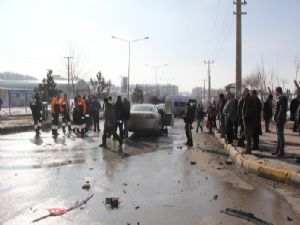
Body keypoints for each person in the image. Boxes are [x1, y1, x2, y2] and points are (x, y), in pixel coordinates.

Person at [273, 87, 288, 157]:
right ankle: (278, 150)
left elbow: (282, 110)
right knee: (279, 136)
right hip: (279, 119)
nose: (275, 93)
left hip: (280, 120)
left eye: (275, 91)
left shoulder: (282, 98)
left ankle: (281, 151)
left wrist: (277, 117)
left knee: (280, 136)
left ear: (278, 91)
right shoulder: (280, 98)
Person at [241, 88, 257, 154]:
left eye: (243, 92)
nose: (242, 94)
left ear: (247, 92)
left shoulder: (249, 99)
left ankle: (248, 150)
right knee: (247, 135)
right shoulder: (248, 99)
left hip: (248, 121)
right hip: (248, 121)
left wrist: (244, 117)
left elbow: (248, 111)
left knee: (248, 136)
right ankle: (248, 149)